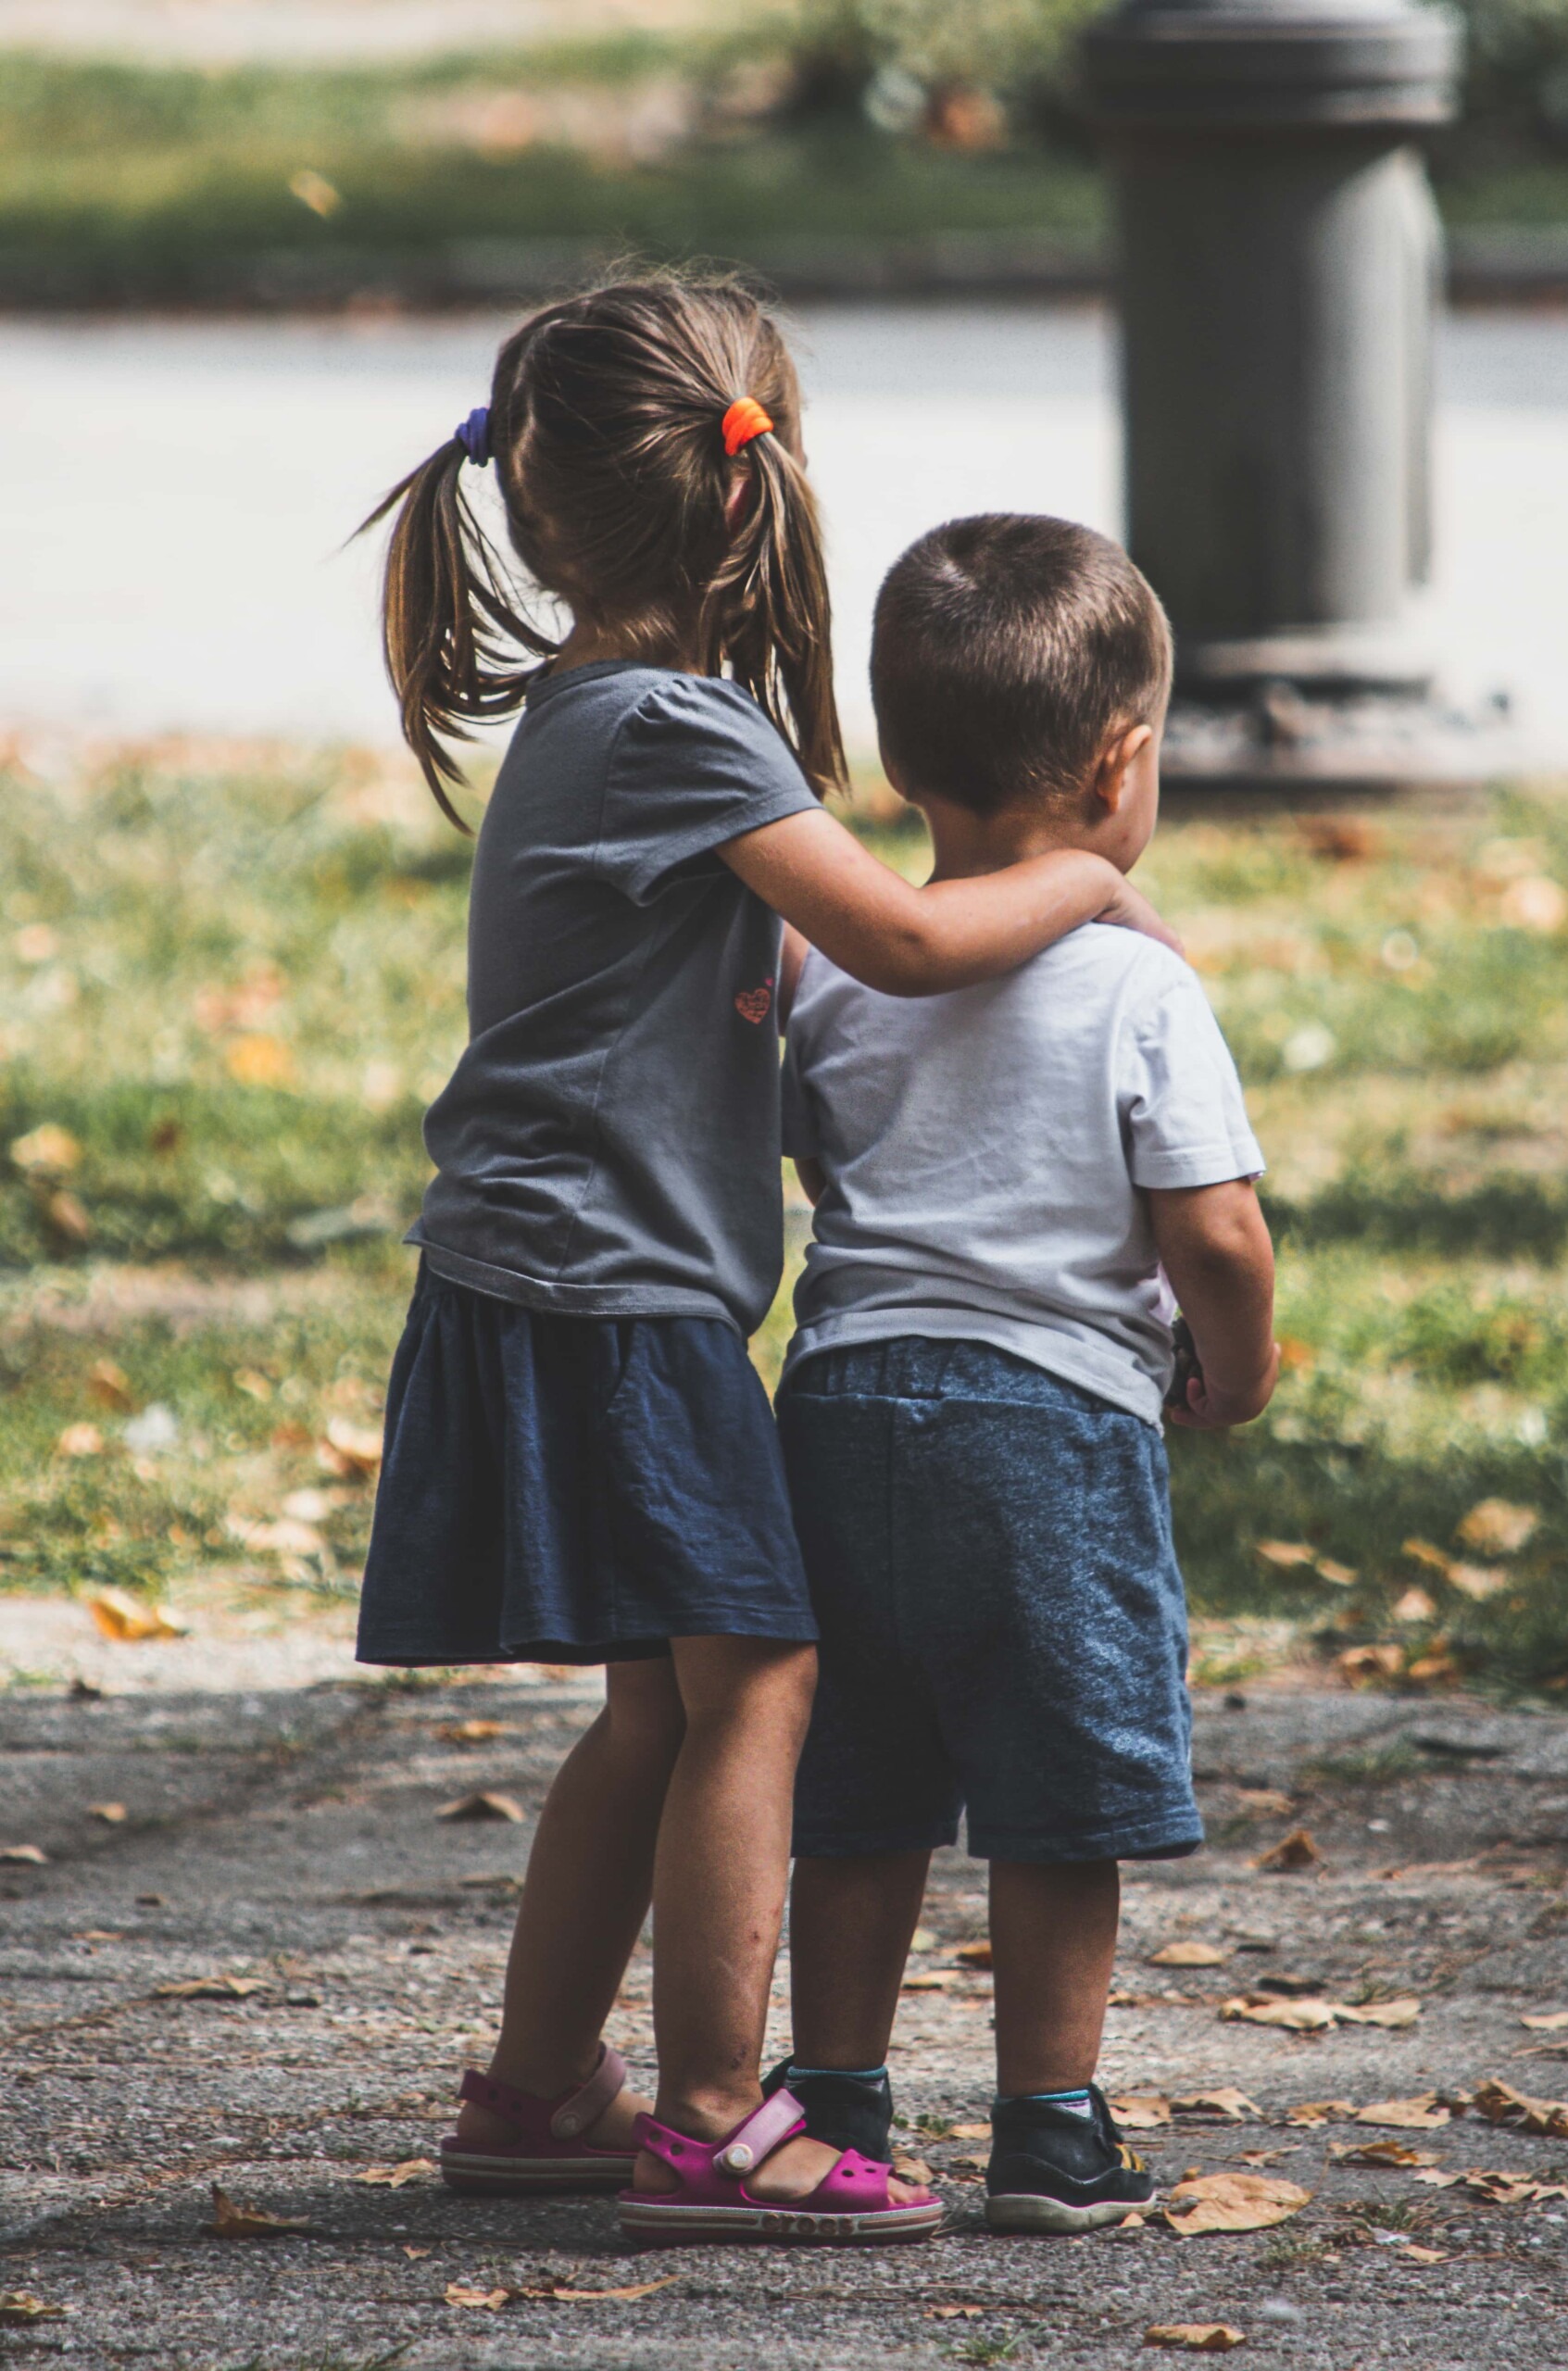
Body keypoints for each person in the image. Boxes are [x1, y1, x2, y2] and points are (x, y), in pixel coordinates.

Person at [350, 282, 1174, 2249]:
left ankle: (541, 2087)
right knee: (764, 1678)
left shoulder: (595, 714)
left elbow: (768, 969)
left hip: (534, 1264)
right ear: (749, 493)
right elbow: (900, 940)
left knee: (658, 1703)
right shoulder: (684, 731)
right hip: (614, 1284)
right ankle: (723, 2112)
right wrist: (1092, 877)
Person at [772, 513, 1278, 2235]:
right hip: (1049, 1429)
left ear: (901, 761)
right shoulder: (1141, 985)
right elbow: (1214, 1233)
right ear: (1123, 763)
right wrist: (1242, 1374)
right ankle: (1049, 2126)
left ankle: (830, 2095)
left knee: (857, 1782)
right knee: (1059, 1792)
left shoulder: (841, 973)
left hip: (840, 1410)